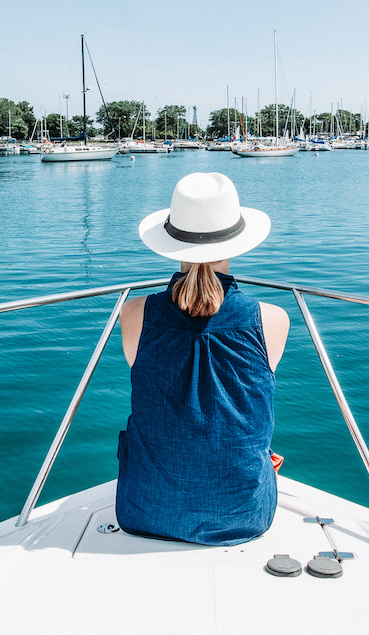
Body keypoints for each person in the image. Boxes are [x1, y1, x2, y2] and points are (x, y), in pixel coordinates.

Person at [115, 172, 289, 546]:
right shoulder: (272, 319)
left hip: (144, 510)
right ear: (237, 242)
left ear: (171, 242)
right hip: (244, 517)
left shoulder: (133, 313)